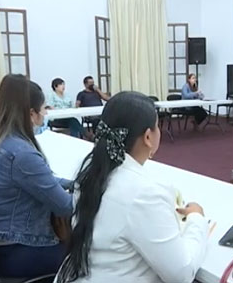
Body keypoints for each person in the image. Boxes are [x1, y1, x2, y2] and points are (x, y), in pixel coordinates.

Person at [56, 92, 208, 283]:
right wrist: (196, 219)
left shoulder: (89, 169)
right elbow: (181, 273)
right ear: (147, 137)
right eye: (157, 126)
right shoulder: (145, 192)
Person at [0, 74, 73, 278]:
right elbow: (65, 206)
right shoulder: (22, 153)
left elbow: (38, 182)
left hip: (1, 237)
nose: (45, 114)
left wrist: (72, 183)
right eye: (43, 109)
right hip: (20, 248)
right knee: (89, 256)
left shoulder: (1, 141)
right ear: (31, 114)